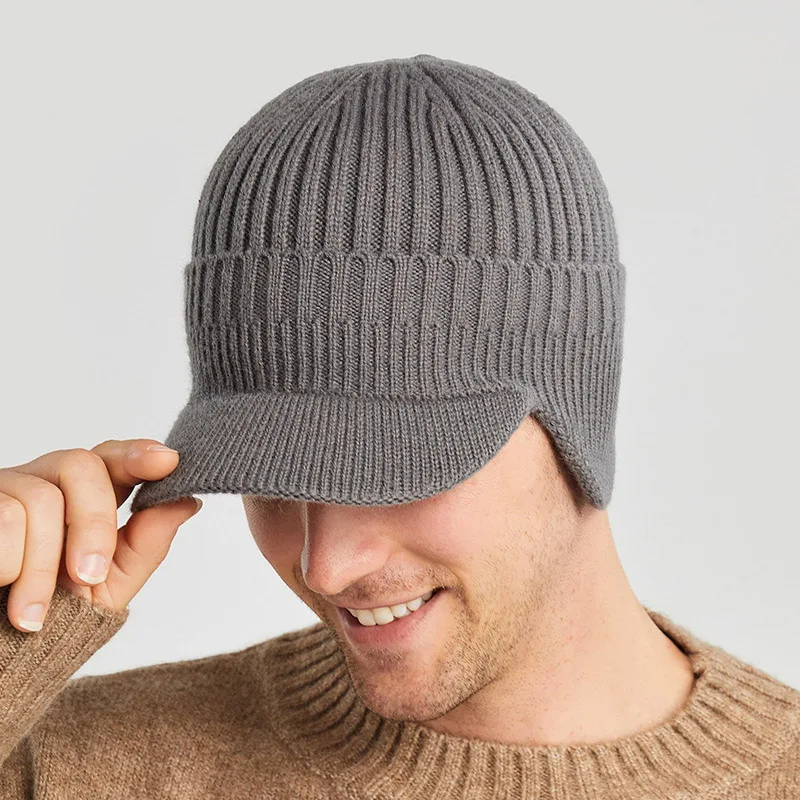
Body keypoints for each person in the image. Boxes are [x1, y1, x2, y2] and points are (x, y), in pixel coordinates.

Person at [1, 54, 798, 799]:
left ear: (573, 420)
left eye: (398, 466)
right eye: (271, 478)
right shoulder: (79, 766)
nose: (325, 566)